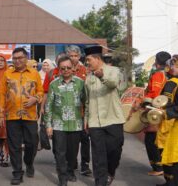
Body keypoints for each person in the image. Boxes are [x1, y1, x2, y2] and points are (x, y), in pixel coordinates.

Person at [0, 47, 43, 185]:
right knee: (14, 146)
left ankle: (29, 162)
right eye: (15, 58)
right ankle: (17, 173)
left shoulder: (34, 73)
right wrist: (0, 114)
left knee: (32, 143)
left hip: (30, 116)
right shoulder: (8, 74)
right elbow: (1, 95)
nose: (17, 61)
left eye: (20, 58)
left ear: (26, 58)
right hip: (12, 116)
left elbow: (41, 92)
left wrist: (35, 98)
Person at [84, 46, 125, 186]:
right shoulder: (88, 78)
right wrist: (86, 119)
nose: (87, 63)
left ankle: (111, 171)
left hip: (113, 118)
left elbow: (113, 84)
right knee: (98, 155)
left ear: (97, 58)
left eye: (89, 60)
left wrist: (102, 77)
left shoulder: (114, 71)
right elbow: (88, 100)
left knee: (115, 149)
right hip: (95, 122)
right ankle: (100, 182)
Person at [44, 56, 86, 186]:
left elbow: (86, 102)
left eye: (69, 67)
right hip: (58, 124)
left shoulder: (80, 83)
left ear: (73, 68)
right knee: (59, 152)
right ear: (59, 70)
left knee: (72, 153)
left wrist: (87, 120)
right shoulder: (54, 84)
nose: (66, 70)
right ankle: (62, 177)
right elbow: (48, 106)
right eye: (63, 68)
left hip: (76, 124)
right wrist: (48, 125)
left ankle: (70, 170)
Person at [142, 51, 171, 176]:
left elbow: (155, 93)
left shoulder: (158, 75)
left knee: (151, 139)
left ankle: (158, 167)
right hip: (166, 110)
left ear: (158, 63)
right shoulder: (169, 75)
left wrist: (144, 104)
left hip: (155, 110)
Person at [66, 45, 91, 176]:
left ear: (79, 57)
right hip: (68, 111)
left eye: (76, 55)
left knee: (85, 138)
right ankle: (72, 162)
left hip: (83, 111)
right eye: (71, 55)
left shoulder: (85, 70)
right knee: (71, 140)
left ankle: (85, 165)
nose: (73, 58)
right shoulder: (64, 70)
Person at [155, 56, 178, 186]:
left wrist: (163, 111)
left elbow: (165, 101)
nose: (172, 68)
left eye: (174, 65)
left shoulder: (172, 82)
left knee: (168, 155)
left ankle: (170, 181)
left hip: (171, 123)